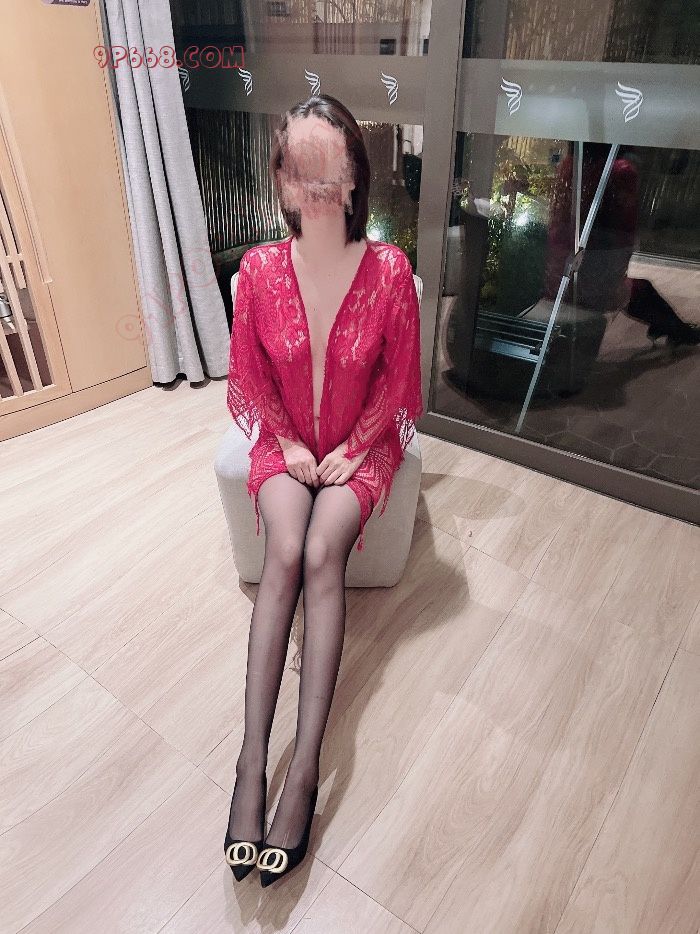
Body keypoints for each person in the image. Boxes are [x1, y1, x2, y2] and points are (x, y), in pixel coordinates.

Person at [223, 94, 423, 887]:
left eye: (327, 166)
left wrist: (352, 446)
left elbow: (398, 381)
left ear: (353, 178)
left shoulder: (390, 271)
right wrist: (291, 443)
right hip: (284, 443)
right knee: (285, 548)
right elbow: (250, 376)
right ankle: (251, 763)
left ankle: (303, 772)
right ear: (280, 181)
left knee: (319, 553)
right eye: (297, 168)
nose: (312, 184)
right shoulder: (258, 270)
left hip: (359, 447)